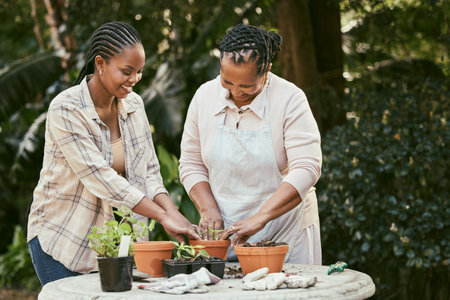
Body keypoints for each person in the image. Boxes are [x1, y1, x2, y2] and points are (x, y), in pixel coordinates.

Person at [27, 21, 200, 286]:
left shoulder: (134, 104)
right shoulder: (66, 109)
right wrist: (162, 216)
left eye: (140, 71)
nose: (135, 79)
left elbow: (150, 171)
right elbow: (102, 179)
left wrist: (171, 211)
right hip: (63, 239)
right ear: (100, 64)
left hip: (114, 246)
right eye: (127, 71)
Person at [179, 23, 322, 264]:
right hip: (226, 239)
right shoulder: (204, 96)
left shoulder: (290, 99)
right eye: (227, 82)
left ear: (266, 70)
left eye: (246, 86)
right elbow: (191, 163)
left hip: (287, 234)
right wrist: (208, 208)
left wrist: (261, 217)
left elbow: (306, 168)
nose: (236, 92)